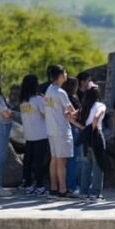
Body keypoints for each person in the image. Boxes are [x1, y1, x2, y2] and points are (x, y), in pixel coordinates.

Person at [44, 65, 75, 198]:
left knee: (55, 159)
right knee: (62, 161)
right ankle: (63, 189)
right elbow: (71, 111)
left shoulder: (49, 89)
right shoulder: (61, 92)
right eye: (65, 72)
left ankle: (53, 187)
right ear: (60, 76)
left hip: (51, 129)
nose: (66, 74)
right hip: (61, 129)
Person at [18, 74, 49, 195]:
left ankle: (28, 184)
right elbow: (46, 113)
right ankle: (40, 186)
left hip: (29, 135)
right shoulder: (38, 100)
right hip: (41, 134)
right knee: (39, 162)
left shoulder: (23, 101)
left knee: (28, 161)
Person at [77, 85, 107, 201]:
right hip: (96, 136)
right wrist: (93, 128)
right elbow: (96, 117)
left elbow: (70, 116)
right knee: (98, 165)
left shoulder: (84, 107)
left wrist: (84, 128)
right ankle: (95, 193)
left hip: (85, 136)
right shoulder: (100, 106)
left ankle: (83, 192)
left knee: (86, 165)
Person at [63, 77, 82, 195]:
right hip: (74, 128)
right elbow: (73, 115)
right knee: (74, 159)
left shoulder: (64, 97)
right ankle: (72, 185)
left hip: (65, 130)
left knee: (70, 159)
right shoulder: (71, 99)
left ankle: (70, 184)